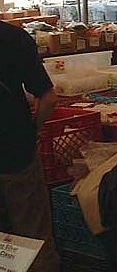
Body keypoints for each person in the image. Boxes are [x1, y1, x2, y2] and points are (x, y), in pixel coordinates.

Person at [0, 21, 60, 271]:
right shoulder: (14, 37)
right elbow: (47, 97)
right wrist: (33, 128)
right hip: (15, 150)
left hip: (15, 147)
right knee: (32, 235)